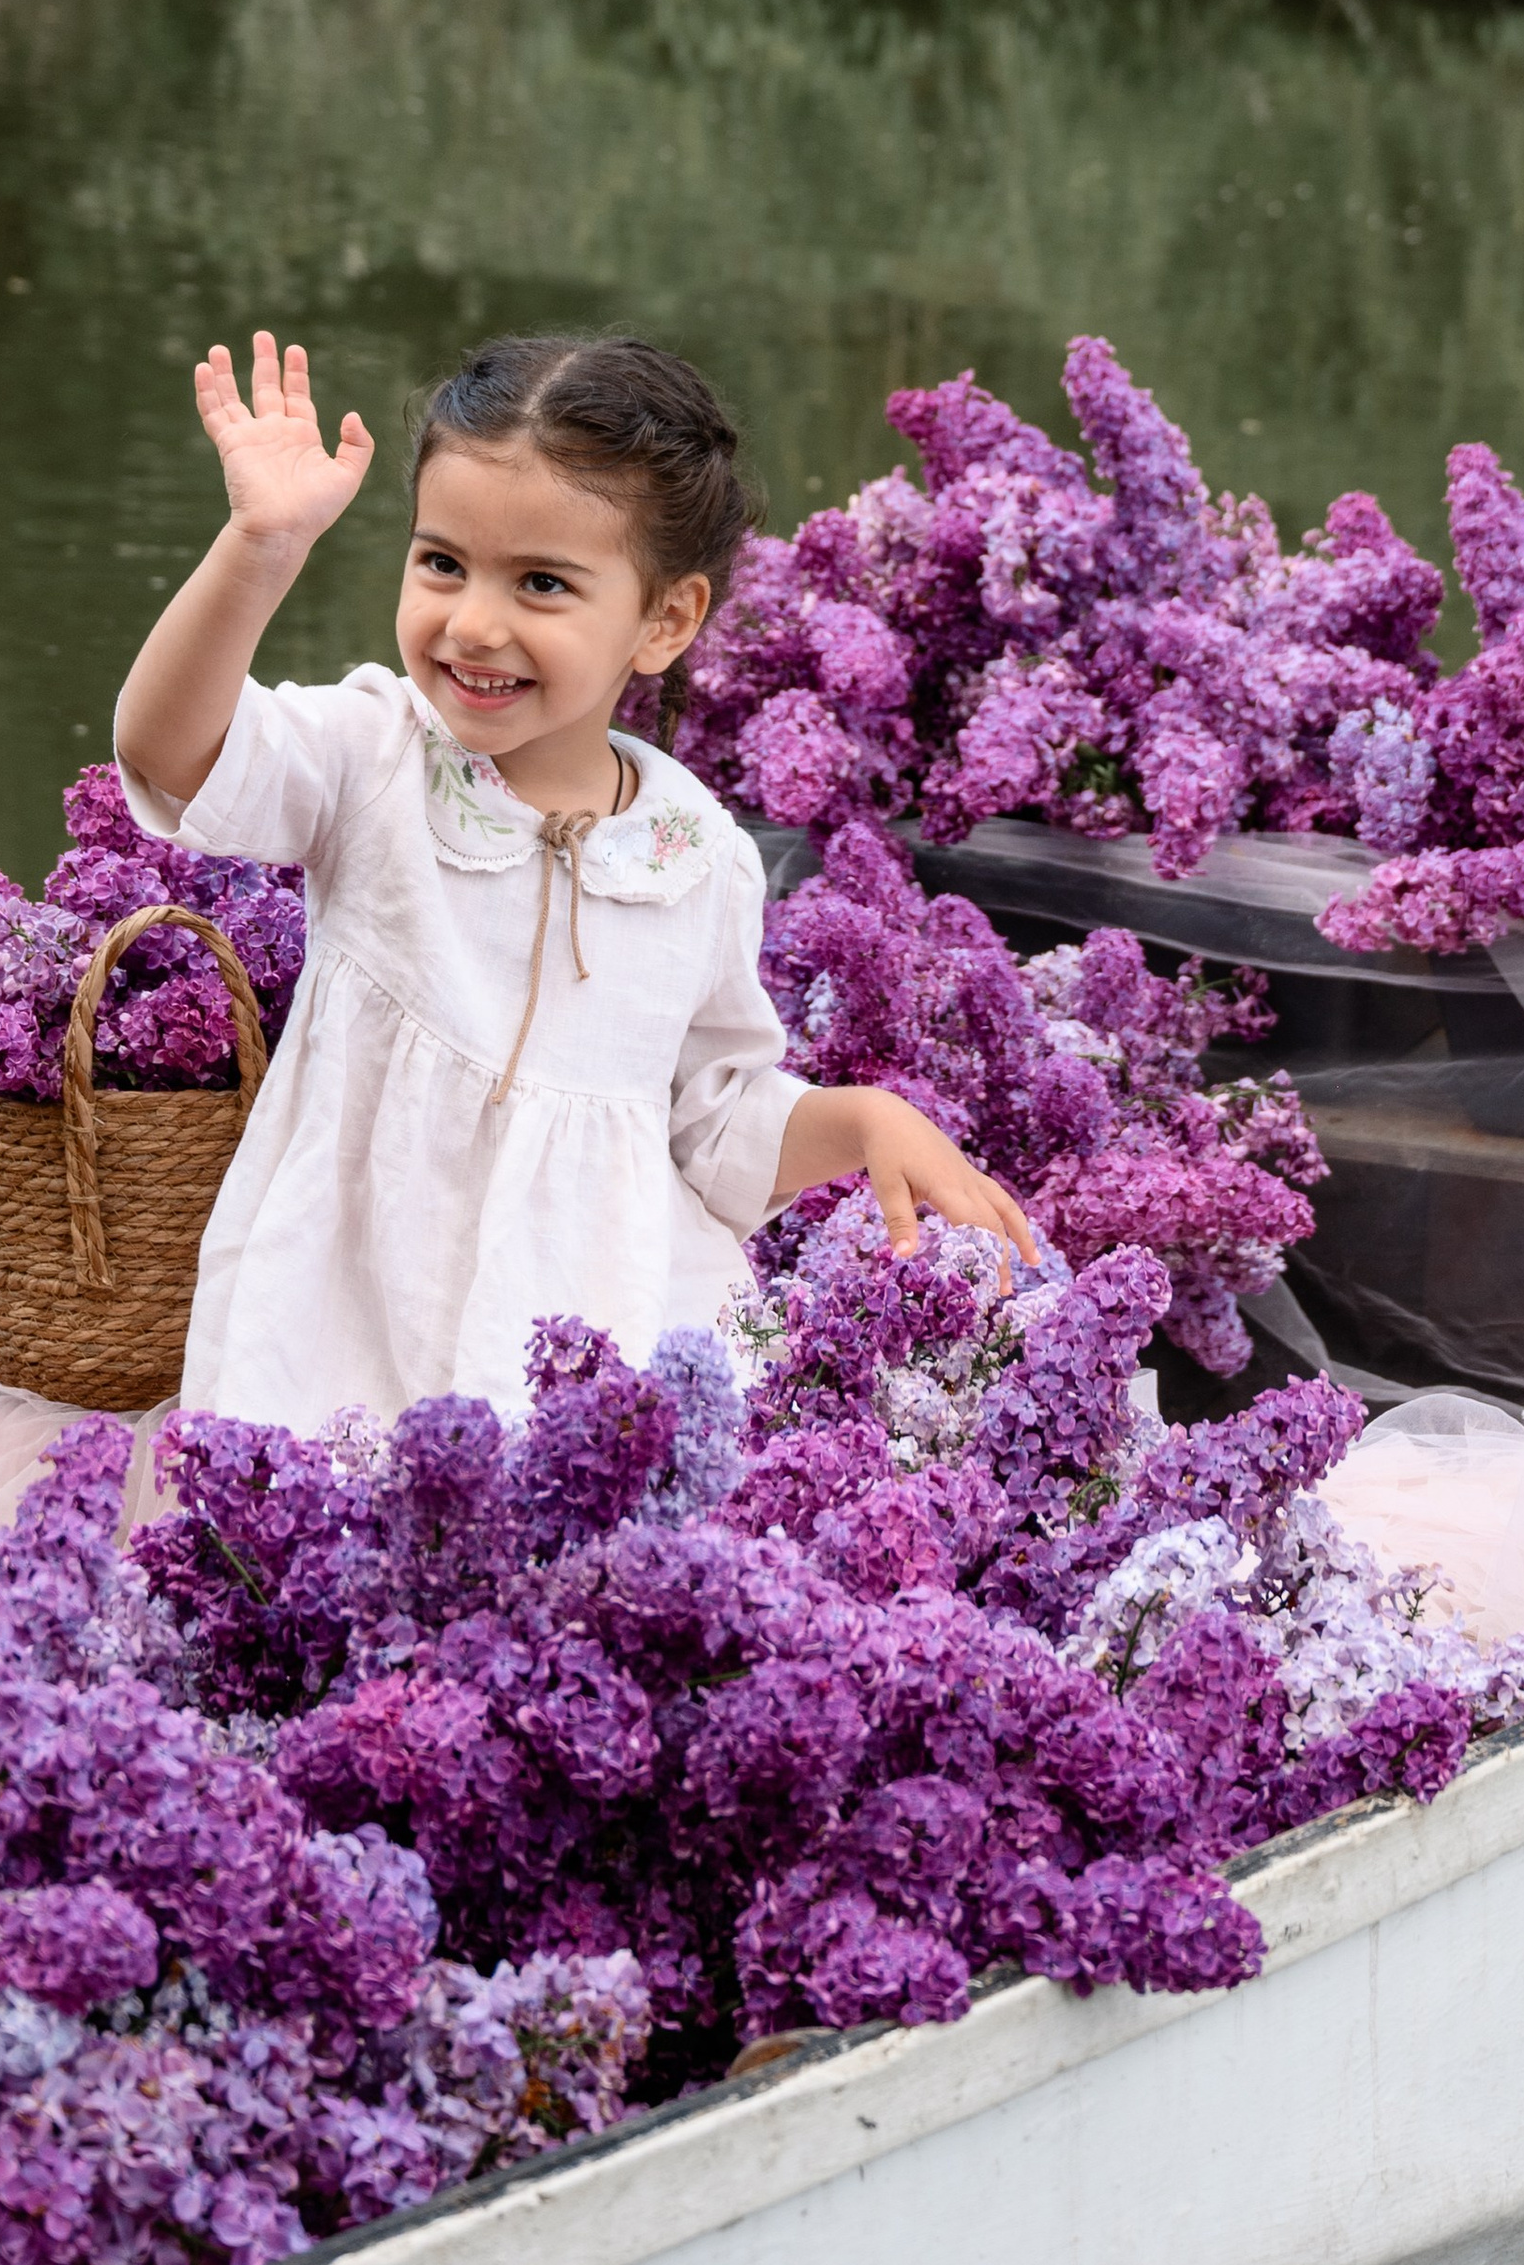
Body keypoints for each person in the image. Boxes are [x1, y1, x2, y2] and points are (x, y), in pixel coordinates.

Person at [112, 328, 1032, 1435]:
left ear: (665, 619)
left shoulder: (697, 855)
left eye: (541, 582)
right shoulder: (373, 758)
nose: (473, 623)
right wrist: (259, 544)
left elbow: (713, 1121)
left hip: (590, 1347)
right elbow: (170, 749)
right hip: (344, 1327)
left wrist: (867, 1118)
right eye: (441, 561)